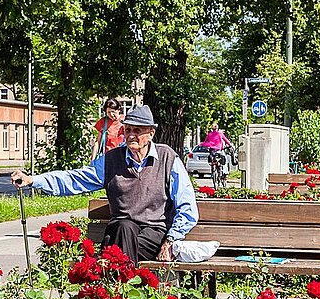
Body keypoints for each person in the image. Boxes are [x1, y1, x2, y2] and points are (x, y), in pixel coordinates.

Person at [13, 105, 196, 264]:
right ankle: (127, 293)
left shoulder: (168, 158)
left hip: (153, 234)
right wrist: (33, 180)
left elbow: (187, 206)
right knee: (125, 227)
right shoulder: (111, 160)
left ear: (151, 133)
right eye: (127, 130)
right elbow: (75, 179)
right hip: (120, 229)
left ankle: (117, 290)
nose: (130, 135)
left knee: (117, 251)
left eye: (137, 131)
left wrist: (170, 240)